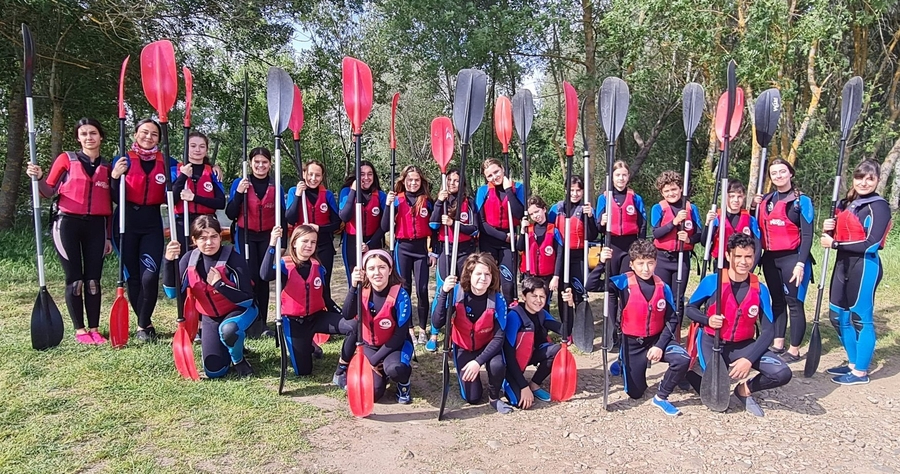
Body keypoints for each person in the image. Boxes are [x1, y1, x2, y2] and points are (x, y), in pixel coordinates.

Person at [685, 233, 792, 417]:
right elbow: (690, 309)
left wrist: (748, 359)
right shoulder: (712, 282)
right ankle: (690, 375)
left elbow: (768, 331)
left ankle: (744, 390)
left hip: (743, 345)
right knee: (720, 401)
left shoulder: (760, 289)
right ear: (728, 256)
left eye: (748, 256)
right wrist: (707, 320)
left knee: (782, 373)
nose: (744, 261)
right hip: (713, 342)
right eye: (738, 256)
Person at [26, 117, 112, 344]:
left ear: (100, 136)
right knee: (75, 280)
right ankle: (80, 330)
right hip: (67, 224)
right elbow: (47, 191)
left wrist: (109, 236)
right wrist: (39, 177)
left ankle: (94, 328)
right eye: (83, 134)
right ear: (78, 138)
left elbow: (112, 205)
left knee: (93, 280)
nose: (89, 138)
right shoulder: (67, 159)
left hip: (96, 226)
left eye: (93, 133)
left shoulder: (107, 166)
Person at [821, 160, 892, 385]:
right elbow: (838, 231)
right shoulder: (848, 203)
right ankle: (852, 363)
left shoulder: (879, 206)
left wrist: (834, 245)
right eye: (860, 177)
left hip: (864, 266)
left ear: (877, 180)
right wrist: (828, 228)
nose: (863, 183)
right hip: (843, 265)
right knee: (837, 315)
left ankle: (861, 372)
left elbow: (871, 243)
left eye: (869, 179)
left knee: (861, 319)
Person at [110, 119, 179, 342]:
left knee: (150, 277)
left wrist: (211, 167)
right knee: (134, 278)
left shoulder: (168, 162)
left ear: (159, 138)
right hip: (126, 222)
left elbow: (188, 175)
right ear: (135, 135)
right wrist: (114, 177)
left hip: (151, 224)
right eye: (144, 132)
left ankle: (142, 323)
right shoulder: (122, 160)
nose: (149, 137)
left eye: (154, 134)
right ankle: (145, 325)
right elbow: (112, 196)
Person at [163, 215, 257, 377]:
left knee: (228, 330)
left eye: (214, 237)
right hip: (210, 317)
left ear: (221, 237)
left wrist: (219, 285)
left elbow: (247, 300)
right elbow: (172, 293)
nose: (209, 243)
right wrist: (168, 261)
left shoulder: (234, 259)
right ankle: (231, 346)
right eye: (203, 238)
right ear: (194, 239)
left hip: (239, 311)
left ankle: (238, 359)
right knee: (215, 371)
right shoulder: (188, 259)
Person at [261, 225, 356, 384]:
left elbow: (326, 298)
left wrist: (344, 316)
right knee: (303, 372)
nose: (309, 245)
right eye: (304, 241)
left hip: (317, 317)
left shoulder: (318, 267)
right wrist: (272, 243)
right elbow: (264, 275)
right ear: (294, 243)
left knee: (354, 326)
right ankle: (311, 346)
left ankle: (342, 368)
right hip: (294, 323)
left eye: (313, 242)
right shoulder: (284, 265)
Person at [607, 240, 690, 416]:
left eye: (650, 263)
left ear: (655, 263)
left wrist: (660, 345)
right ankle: (623, 360)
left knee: (682, 359)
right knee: (636, 394)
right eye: (640, 263)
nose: (646, 269)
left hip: (656, 338)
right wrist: (601, 262)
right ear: (632, 264)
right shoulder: (622, 282)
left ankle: (661, 397)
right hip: (632, 343)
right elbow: (591, 286)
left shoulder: (663, 287)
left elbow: (672, 320)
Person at [751, 158, 814, 362]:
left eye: (782, 171)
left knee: (794, 303)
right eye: (774, 173)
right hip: (770, 259)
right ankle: (778, 343)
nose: (778, 176)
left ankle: (794, 350)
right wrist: (754, 206)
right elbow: (754, 225)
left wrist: (800, 264)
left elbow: (807, 236)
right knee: (777, 302)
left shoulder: (801, 201)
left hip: (792, 258)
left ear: (790, 174)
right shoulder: (766, 201)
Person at [433, 253, 511, 414]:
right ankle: (472, 378)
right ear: (469, 275)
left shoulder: (498, 300)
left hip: (488, 347)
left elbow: (498, 338)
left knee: (497, 365)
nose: (483, 278)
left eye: (487, 274)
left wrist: (478, 362)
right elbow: (437, 322)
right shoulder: (456, 293)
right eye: (478, 273)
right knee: (473, 398)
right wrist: (443, 292)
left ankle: (494, 397)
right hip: (463, 347)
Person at [226, 147, 285, 338]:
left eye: (264, 162)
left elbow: (282, 217)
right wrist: (239, 194)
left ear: (270, 164)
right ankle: (248, 320)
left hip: (267, 237)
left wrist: (281, 243)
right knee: (248, 278)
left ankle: (262, 324)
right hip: (246, 236)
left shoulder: (276, 186)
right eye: (256, 162)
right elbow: (230, 213)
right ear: (250, 164)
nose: (260, 165)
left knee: (263, 278)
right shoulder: (240, 183)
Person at [343, 249, 414, 403]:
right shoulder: (362, 291)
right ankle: (381, 373)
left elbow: (399, 337)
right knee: (374, 394)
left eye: (382, 267)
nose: (377, 272)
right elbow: (347, 314)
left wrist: (373, 360)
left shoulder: (401, 296)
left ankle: (403, 383)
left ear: (390, 270)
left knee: (395, 369)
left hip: (396, 346)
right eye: (371, 268)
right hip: (370, 345)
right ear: (365, 272)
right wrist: (353, 287)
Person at [383, 165, 436, 345]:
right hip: (402, 249)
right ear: (403, 181)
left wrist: (433, 251)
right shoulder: (397, 200)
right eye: (410, 180)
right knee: (404, 290)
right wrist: (388, 205)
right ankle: (409, 330)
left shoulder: (427, 201)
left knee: (422, 290)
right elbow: (384, 226)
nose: (413, 183)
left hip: (421, 249)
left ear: (421, 182)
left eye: (416, 180)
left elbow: (435, 229)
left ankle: (422, 329)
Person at [427, 168, 479, 352]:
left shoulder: (469, 203)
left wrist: (454, 224)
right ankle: (434, 333)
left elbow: (474, 229)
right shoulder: (440, 201)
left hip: (465, 252)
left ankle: (461, 330)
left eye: (456, 181)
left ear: (462, 183)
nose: (452, 184)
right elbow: (433, 225)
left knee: (464, 290)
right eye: (449, 180)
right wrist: (440, 201)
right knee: (443, 288)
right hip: (446, 251)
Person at [285, 160, 342, 312]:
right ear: (304, 174)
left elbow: (336, 223)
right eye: (310, 174)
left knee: (323, 280)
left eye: (317, 175)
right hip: (302, 247)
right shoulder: (294, 192)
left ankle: (326, 308)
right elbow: (290, 218)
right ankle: (305, 310)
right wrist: (298, 195)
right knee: (304, 280)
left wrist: (319, 228)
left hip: (323, 245)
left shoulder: (327, 195)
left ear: (322, 177)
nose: (313, 178)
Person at [650, 170, 702, 322]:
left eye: (674, 189)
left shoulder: (691, 209)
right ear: (662, 193)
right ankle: (661, 330)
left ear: (680, 188)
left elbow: (699, 234)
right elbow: (656, 233)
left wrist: (689, 240)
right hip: (662, 258)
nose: (671, 193)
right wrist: (674, 222)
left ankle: (675, 332)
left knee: (677, 297)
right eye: (666, 191)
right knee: (662, 295)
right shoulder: (657, 208)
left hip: (681, 259)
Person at [502, 277, 561, 409]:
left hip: (530, 355)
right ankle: (506, 382)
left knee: (557, 350)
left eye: (542, 297)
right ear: (524, 296)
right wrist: (523, 386)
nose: (538, 301)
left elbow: (564, 330)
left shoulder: (542, 314)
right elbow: (508, 356)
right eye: (534, 296)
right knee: (520, 403)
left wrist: (568, 304)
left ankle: (534, 385)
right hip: (510, 364)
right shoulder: (514, 316)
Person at [475, 158, 525, 304]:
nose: (494, 177)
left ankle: (510, 313)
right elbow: (481, 223)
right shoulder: (483, 191)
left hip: (510, 243)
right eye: (489, 175)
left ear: (503, 168)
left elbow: (519, 214)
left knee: (508, 283)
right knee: (489, 280)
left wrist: (509, 190)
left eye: (496, 172)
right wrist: (504, 237)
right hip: (489, 239)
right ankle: (490, 311)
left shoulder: (518, 188)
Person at [548, 176, 598, 322]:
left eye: (578, 190)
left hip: (579, 256)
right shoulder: (556, 209)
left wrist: (589, 217)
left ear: (583, 192)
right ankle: (567, 327)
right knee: (564, 292)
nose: (575, 194)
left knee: (579, 291)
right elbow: (548, 230)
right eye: (572, 190)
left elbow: (592, 235)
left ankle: (581, 326)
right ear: (566, 190)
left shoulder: (586, 209)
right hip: (561, 257)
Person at [591, 160, 647, 284]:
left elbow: (643, 224)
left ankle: (625, 303)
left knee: (627, 282)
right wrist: (602, 223)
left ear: (628, 177)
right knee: (611, 283)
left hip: (630, 245)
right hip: (612, 245)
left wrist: (641, 246)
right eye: (617, 175)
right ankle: (611, 303)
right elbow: (599, 228)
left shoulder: (636, 198)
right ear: (612, 177)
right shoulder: (604, 198)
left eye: (624, 175)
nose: (621, 178)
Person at [173, 131, 226, 256]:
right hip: (183, 221)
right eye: (193, 146)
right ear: (186, 148)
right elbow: (170, 200)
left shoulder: (213, 172)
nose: (197, 149)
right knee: (184, 258)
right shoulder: (175, 170)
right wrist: (183, 177)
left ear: (206, 149)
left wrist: (194, 198)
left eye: (202, 146)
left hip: (207, 221)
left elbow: (221, 203)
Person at [338, 160, 387, 284]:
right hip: (352, 243)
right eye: (362, 174)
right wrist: (354, 191)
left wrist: (369, 244)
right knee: (355, 282)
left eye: (369, 174)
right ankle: (356, 303)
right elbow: (344, 216)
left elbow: (384, 226)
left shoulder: (380, 195)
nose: (366, 178)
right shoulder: (346, 192)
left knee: (374, 282)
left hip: (373, 241)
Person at [701, 179, 761, 268]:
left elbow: (758, 248)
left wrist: (750, 269)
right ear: (725, 197)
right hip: (721, 264)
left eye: (739, 196)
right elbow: (704, 242)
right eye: (731, 196)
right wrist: (707, 223)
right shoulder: (716, 218)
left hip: (742, 265)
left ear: (744, 197)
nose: (736, 200)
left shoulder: (750, 220)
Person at [518, 196, 561, 300]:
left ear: (544, 209)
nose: (535, 216)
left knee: (543, 303)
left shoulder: (554, 230)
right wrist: (523, 231)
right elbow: (519, 247)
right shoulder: (529, 230)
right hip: (530, 275)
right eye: (531, 214)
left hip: (546, 277)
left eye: (537, 211)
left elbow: (560, 254)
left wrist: (556, 276)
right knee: (530, 303)